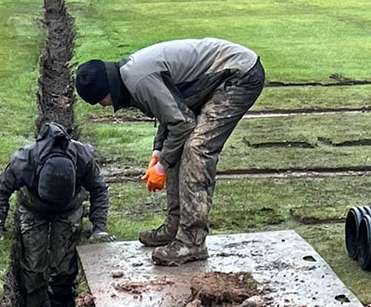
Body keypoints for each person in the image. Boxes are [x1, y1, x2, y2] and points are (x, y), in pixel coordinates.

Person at [74, 38, 265, 265]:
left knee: (197, 149)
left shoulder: (138, 80)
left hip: (239, 75)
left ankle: (192, 242)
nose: (104, 106)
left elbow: (182, 123)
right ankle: (175, 227)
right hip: (224, 74)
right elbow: (170, 112)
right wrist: (158, 154)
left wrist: (162, 166)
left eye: (100, 101)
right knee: (177, 147)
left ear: (108, 90)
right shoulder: (130, 74)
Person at [0, 121, 111, 307]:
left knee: (63, 265)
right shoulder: (24, 161)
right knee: (33, 267)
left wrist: (99, 228)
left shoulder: (83, 158)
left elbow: (99, 190)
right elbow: (0, 191)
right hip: (34, 209)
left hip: (69, 209)